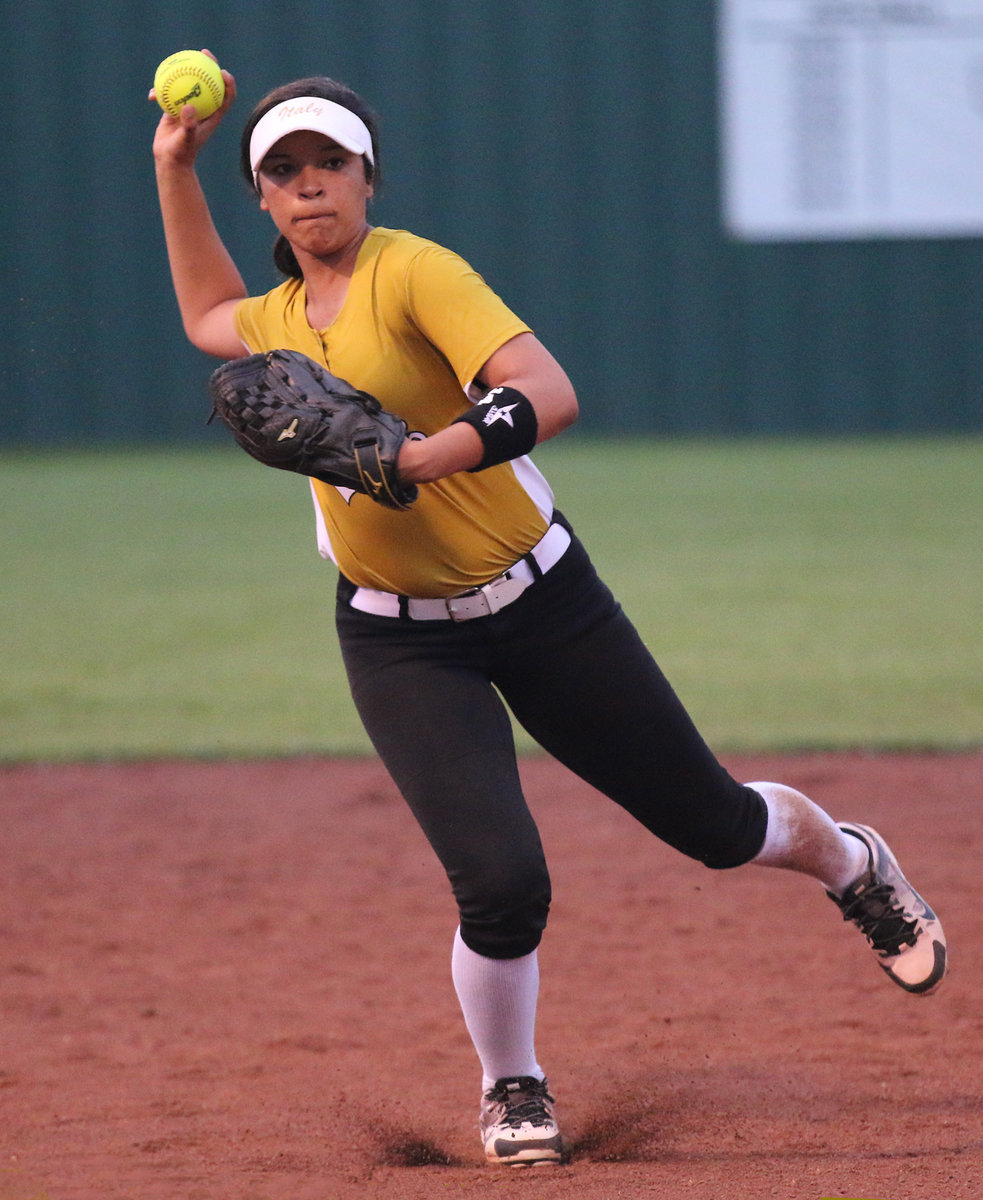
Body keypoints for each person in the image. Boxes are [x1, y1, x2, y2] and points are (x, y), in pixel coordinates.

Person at [151, 58, 947, 1168]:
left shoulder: (417, 273)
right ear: (266, 201)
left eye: (328, 161)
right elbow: (201, 312)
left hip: (543, 603)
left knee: (713, 829)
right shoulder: (274, 319)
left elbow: (551, 389)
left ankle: (851, 862)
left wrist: (431, 453)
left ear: (366, 176)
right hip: (394, 638)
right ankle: (511, 1085)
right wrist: (171, 164)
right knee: (501, 882)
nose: (309, 185)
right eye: (283, 172)